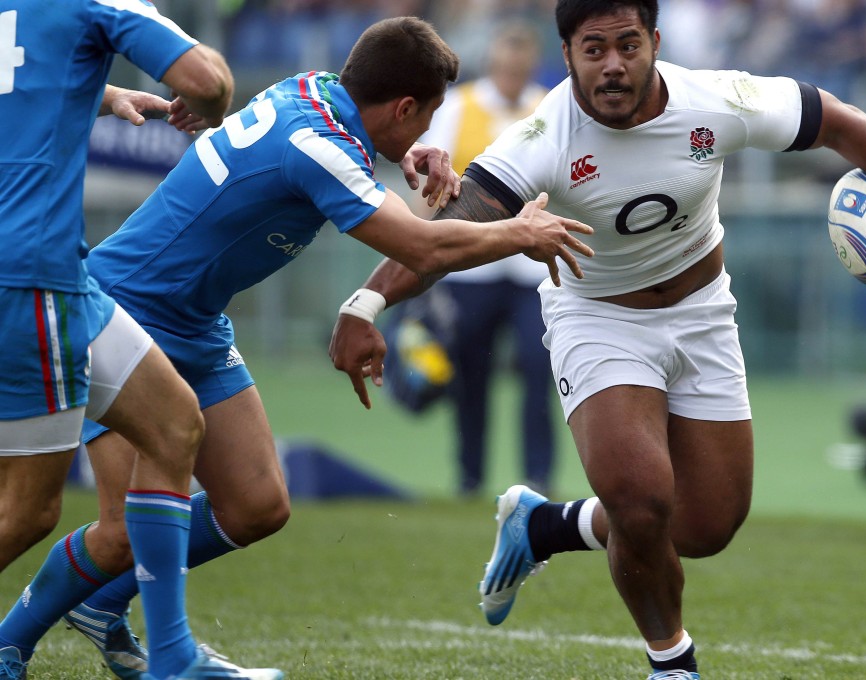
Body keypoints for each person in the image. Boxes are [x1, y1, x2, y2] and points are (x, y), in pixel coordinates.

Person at [328, 1, 866, 677]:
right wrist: (365, 304)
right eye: (593, 50)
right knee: (640, 499)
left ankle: (545, 526)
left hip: (703, 315)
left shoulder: (715, 101)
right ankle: (673, 664)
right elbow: (439, 240)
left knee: (705, 527)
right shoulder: (542, 137)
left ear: (655, 42)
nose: (613, 65)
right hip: (597, 318)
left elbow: (833, 119)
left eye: (628, 45)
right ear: (566, 55)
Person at [0, 15, 593, 680]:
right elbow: (421, 246)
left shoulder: (311, 91)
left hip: (195, 321)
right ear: (401, 106)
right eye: (422, 122)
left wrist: (407, 154)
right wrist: (521, 231)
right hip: (125, 307)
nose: (425, 136)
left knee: (257, 505)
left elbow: (351, 143)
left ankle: (105, 608)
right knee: (111, 533)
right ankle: (21, 643)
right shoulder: (318, 145)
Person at [0, 1, 287, 678]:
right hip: (29, 277)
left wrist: (97, 94)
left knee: (174, 424)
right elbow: (208, 81)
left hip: (62, 277)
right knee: (28, 509)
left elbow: (23, 82)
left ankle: (172, 659)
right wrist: (209, 99)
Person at [416, 21, 555, 496]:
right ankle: (470, 478)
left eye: (521, 67)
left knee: (541, 371)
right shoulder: (459, 107)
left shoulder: (549, 107)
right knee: (470, 377)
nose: (513, 74)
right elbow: (430, 183)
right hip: (471, 267)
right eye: (506, 66)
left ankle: (538, 476)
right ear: (494, 64)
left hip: (533, 269)